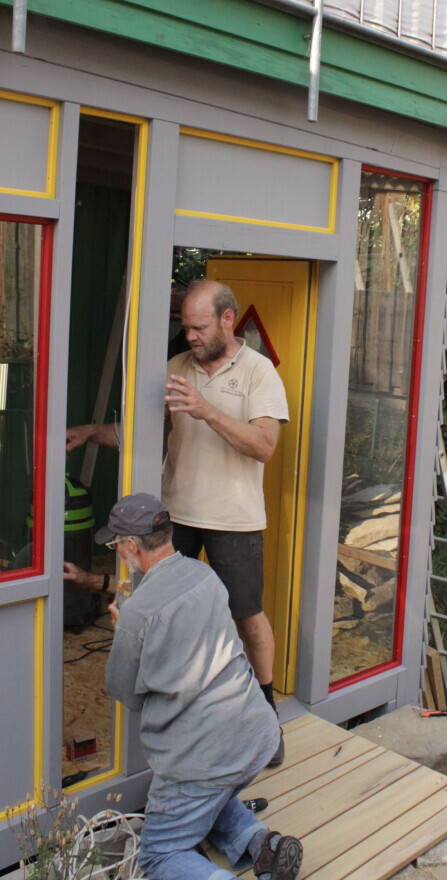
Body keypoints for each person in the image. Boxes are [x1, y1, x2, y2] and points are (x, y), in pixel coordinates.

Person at [66, 278, 289, 765]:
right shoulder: (174, 368)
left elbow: (265, 447)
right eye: (185, 326)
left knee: (246, 617)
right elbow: (140, 432)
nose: (188, 335)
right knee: (160, 609)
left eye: (198, 327)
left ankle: (266, 716)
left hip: (235, 520)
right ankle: (173, 711)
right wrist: (90, 433)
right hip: (175, 518)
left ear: (227, 320)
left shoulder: (259, 374)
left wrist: (208, 410)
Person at [98, 492, 303, 880]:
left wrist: (122, 632)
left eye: (115, 544)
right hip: (255, 737)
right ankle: (264, 846)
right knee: (211, 793)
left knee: (159, 854)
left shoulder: (136, 613)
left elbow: (124, 691)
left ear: (130, 547)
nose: (117, 552)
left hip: (200, 755)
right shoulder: (205, 575)